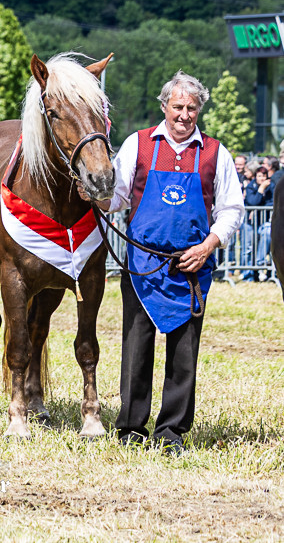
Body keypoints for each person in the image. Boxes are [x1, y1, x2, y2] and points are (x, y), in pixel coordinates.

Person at [95, 71, 243, 457]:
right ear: (164, 107)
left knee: (184, 355)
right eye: (178, 106)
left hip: (191, 268)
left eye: (192, 108)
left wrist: (209, 244)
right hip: (143, 265)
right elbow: (118, 198)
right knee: (136, 348)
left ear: (199, 110)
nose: (184, 114)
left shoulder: (215, 153)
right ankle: (130, 427)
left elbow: (232, 211)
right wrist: (95, 197)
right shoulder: (138, 144)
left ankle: (171, 432)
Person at [243, 165, 274, 281]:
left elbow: (272, 203)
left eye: (264, 176)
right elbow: (252, 202)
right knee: (249, 247)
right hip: (249, 222)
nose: (261, 178)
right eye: (259, 176)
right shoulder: (251, 187)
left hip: (264, 221)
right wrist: (261, 190)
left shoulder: (271, 187)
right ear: (255, 177)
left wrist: (258, 208)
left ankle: (260, 264)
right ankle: (248, 275)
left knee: (267, 234)